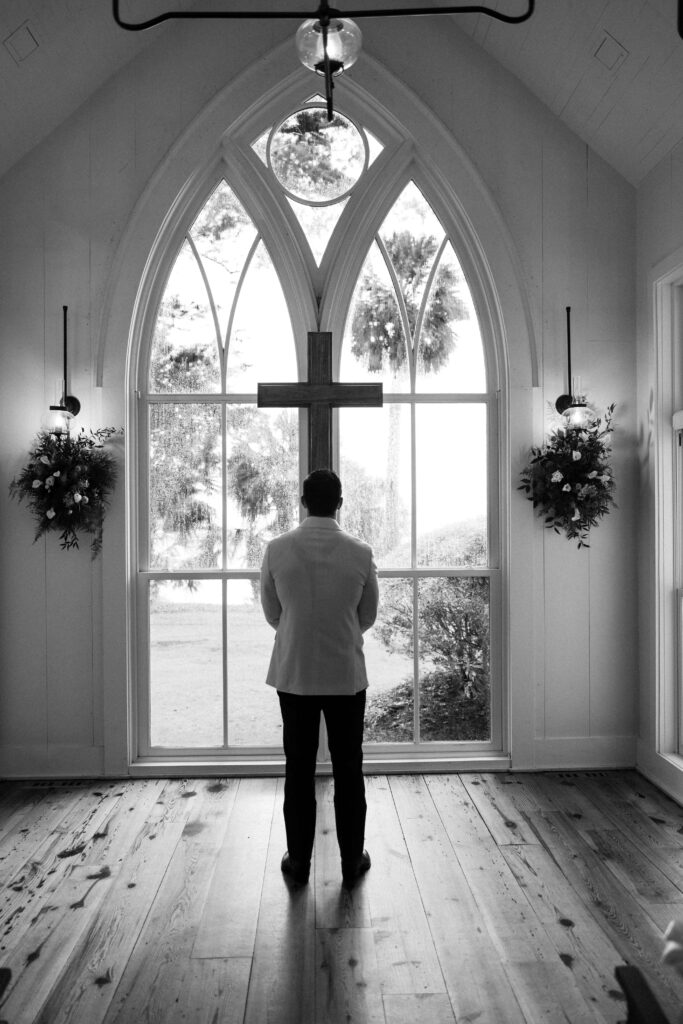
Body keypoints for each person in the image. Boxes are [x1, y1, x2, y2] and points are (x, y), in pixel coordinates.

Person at [260, 468, 379, 887]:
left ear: (303, 501)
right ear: (340, 502)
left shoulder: (276, 549)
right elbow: (368, 615)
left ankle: (300, 861)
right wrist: (338, 635)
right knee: (349, 768)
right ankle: (351, 859)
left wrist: (300, 634)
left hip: (295, 674)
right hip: (345, 673)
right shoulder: (360, 552)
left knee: (298, 769)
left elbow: (273, 613)